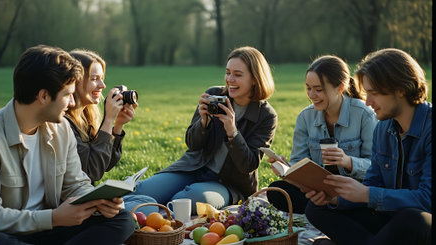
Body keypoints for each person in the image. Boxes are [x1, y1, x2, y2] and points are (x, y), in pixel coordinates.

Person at [0, 45, 135, 244]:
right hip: (13, 231)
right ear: (43, 96)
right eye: (67, 95)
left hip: (54, 227)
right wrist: (53, 217)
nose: (71, 104)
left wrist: (100, 201)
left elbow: (76, 184)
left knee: (122, 220)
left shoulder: (61, 129)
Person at [124, 46, 278, 214]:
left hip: (227, 184)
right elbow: (192, 143)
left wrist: (232, 132)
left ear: (255, 79)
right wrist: (203, 124)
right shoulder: (214, 95)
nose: (230, 79)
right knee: (141, 191)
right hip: (193, 168)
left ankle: (158, 219)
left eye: (238, 75)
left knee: (183, 202)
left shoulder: (266, 116)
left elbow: (248, 164)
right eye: (227, 73)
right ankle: (117, 213)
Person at [305, 48, 432, 245]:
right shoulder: (383, 128)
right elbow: (373, 183)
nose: (367, 101)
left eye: (373, 93)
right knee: (318, 208)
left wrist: (367, 194)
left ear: (401, 89)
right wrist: (336, 199)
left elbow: (427, 200)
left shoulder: (429, 128)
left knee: (415, 219)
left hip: (421, 224)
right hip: (389, 218)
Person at [266, 55, 377, 214]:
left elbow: (376, 167)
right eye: (308, 88)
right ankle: (326, 209)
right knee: (276, 191)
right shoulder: (305, 117)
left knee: (358, 204)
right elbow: (299, 161)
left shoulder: (364, 115)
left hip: (353, 192)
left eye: (318, 89)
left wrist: (348, 161)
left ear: (339, 88)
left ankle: (331, 209)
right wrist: (287, 168)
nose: (311, 95)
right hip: (318, 191)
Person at [67, 49, 157, 215]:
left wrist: (118, 125)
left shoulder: (86, 116)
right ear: (75, 82)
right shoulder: (66, 124)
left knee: (147, 202)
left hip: (90, 196)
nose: (102, 86)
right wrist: (108, 120)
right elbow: (93, 171)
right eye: (94, 79)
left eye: (102, 78)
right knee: (147, 209)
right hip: (75, 205)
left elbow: (106, 165)